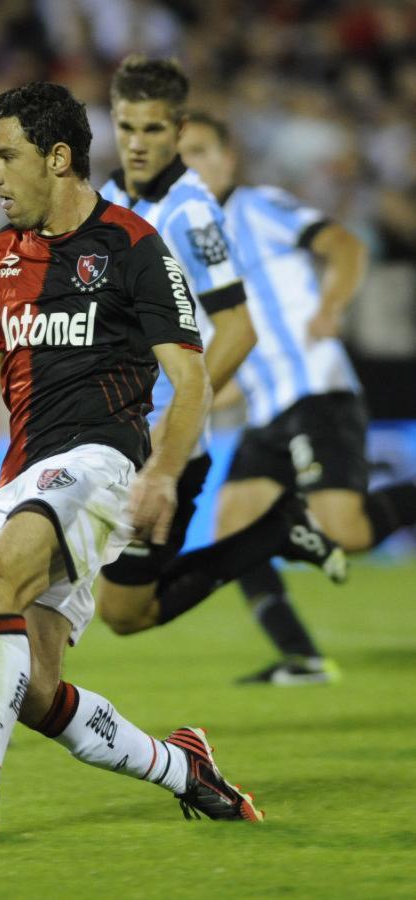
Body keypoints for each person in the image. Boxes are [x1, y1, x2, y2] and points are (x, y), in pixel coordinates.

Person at [0, 58, 344, 752]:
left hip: (148, 438)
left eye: (152, 128)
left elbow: (238, 327)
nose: (136, 142)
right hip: (100, 431)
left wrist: (174, 425)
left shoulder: (191, 213)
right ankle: (270, 539)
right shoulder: (93, 201)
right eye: (126, 126)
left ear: (178, 130)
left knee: (16, 559)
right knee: (96, 597)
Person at [0, 81, 263, 839]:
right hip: (24, 473)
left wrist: (161, 471)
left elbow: (189, 380)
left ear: (57, 158)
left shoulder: (131, 246)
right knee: (32, 690)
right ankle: (183, 767)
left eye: (3, 156)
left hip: (100, 463)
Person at [171, 111, 416, 683]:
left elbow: (345, 246)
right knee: (233, 527)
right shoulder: (188, 253)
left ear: (228, 158)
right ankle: (302, 658)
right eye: (182, 158)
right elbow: (227, 367)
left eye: (203, 151)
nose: (194, 166)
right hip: (268, 412)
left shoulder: (258, 208)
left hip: (315, 393)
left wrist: (332, 304)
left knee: (346, 532)